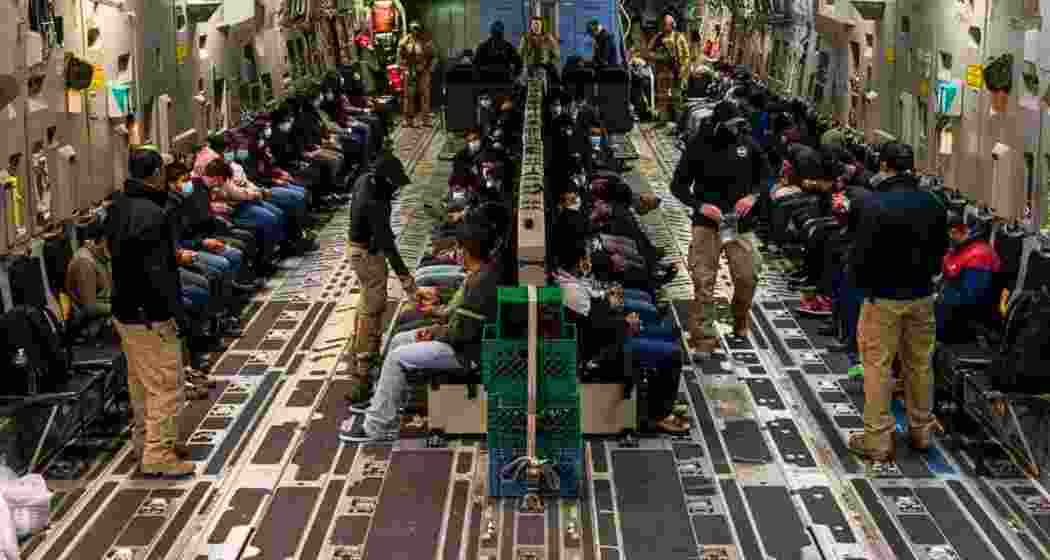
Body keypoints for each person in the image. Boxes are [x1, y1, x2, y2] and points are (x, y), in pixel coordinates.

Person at [341, 219, 500, 443]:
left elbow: (463, 334)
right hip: (459, 341)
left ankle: (375, 428)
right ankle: (384, 407)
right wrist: (437, 322)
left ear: (466, 250)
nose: (456, 253)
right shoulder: (480, 274)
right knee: (399, 339)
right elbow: (459, 321)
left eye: (458, 248)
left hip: (467, 353)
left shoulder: (480, 285)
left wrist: (435, 332)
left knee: (397, 357)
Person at [848, 142, 948, 463]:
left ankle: (877, 439)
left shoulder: (874, 204)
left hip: (883, 299)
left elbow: (860, 255)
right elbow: (940, 251)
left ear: (885, 166)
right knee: (919, 363)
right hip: (921, 296)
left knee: (878, 365)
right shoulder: (934, 202)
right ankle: (921, 430)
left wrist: (863, 287)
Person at [105, 146, 194, 477]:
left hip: (125, 311)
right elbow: (159, 273)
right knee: (165, 384)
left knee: (141, 384)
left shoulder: (118, 207)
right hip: (149, 314)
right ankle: (158, 454)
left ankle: (148, 441)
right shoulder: (153, 215)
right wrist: (177, 316)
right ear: (157, 174)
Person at [670, 101, 769, 359]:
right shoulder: (699, 146)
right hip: (707, 224)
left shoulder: (748, 145)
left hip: (739, 224)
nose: (738, 129)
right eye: (733, 125)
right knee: (703, 280)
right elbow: (678, 185)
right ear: (719, 125)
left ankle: (740, 318)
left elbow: (766, 176)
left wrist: (753, 197)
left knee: (747, 275)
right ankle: (704, 337)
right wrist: (700, 206)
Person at [348, 153, 417, 381]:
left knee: (366, 299)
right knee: (374, 306)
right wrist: (406, 280)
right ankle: (364, 365)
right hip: (367, 254)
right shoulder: (375, 203)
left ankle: (357, 347)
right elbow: (387, 244)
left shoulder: (364, 180)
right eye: (394, 184)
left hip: (358, 250)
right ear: (385, 181)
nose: (396, 190)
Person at [937, 211, 1001, 343]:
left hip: (968, 319)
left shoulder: (979, 255)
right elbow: (946, 276)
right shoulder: (957, 249)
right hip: (952, 307)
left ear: (953, 232)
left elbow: (971, 298)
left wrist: (940, 297)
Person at [647, 14, 689, 123]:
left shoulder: (679, 37)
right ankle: (663, 120)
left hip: (676, 72)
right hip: (662, 71)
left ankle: (678, 121)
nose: (665, 26)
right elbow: (648, 52)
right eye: (664, 24)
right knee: (662, 98)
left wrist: (683, 70)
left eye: (667, 24)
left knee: (677, 98)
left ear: (672, 24)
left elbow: (686, 56)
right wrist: (660, 56)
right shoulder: (658, 37)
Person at [397, 21, 436, 128]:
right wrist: (402, 68)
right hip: (409, 71)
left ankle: (426, 119)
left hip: (423, 71)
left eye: (417, 28)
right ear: (410, 29)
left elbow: (434, 56)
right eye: (413, 28)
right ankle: (408, 120)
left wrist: (429, 69)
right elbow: (399, 56)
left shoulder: (426, 41)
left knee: (425, 96)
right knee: (408, 96)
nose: (415, 31)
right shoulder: (404, 41)